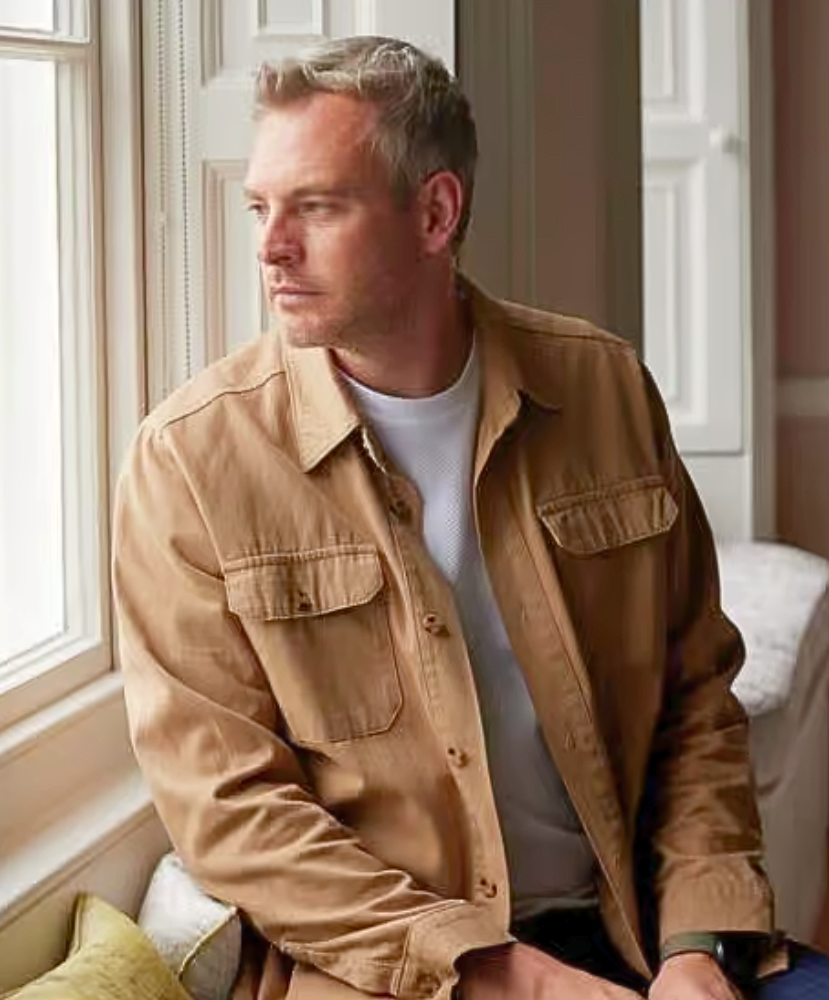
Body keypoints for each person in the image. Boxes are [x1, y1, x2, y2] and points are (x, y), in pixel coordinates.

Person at [113, 36, 828, 1000]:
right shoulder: (189, 463)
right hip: (401, 975)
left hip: (635, 934)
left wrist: (696, 943)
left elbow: (695, 700)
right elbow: (236, 817)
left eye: (315, 207)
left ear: (436, 212)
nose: (268, 246)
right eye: (259, 207)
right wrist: (513, 978)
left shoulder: (603, 389)